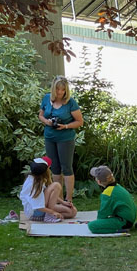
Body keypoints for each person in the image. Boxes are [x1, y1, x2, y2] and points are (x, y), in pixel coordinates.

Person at [39, 75, 83, 204]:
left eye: (63, 90)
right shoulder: (47, 98)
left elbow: (80, 121)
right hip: (49, 137)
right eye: (58, 89)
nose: (60, 92)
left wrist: (66, 126)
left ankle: (68, 199)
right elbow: (40, 115)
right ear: (53, 89)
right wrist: (46, 122)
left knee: (66, 168)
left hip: (65, 138)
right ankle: (58, 199)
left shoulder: (70, 102)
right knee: (55, 168)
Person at [14, 156, 75, 225]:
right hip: (35, 212)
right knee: (56, 185)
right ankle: (49, 216)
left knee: (72, 212)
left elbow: (50, 194)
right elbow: (38, 207)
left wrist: (63, 202)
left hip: (42, 209)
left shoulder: (38, 180)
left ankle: (51, 216)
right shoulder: (34, 185)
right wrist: (52, 212)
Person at [88, 165, 137, 234]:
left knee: (92, 226)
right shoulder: (118, 186)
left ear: (99, 182)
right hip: (129, 219)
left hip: (123, 222)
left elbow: (103, 214)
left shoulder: (107, 193)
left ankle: (119, 230)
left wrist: (100, 222)